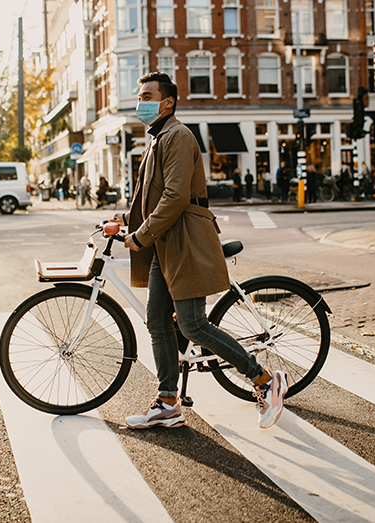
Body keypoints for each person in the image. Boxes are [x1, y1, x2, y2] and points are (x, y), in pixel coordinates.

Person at [111, 71, 288, 430]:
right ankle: (167, 402)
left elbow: (175, 196)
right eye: (139, 96)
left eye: (147, 96)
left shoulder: (177, 136)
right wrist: (125, 219)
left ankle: (266, 380)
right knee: (158, 323)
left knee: (192, 325)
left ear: (168, 102)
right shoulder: (158, 138)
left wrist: (141, 235)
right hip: (166, 245)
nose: (140, 103)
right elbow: (152, 195)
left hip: (184, 242)